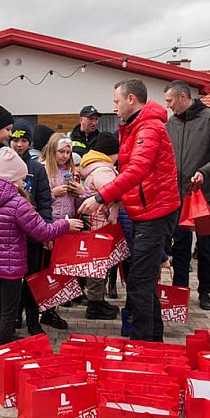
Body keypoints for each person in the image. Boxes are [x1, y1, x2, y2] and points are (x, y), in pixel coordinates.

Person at [79, 79, 179, 343]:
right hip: (144, 211)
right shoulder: (134, 127)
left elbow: (138, 170)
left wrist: (103, 196)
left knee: (139, 283)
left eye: (116, 101)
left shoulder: (149, 127)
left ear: (131, 99)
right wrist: (116, 198)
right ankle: (151, 341)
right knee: (141, 281)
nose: (114, 108)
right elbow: (130, 172)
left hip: (155, 213)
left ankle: (143, 344)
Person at [0, 147, 82, 377]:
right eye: (22, 178)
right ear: (14, 178)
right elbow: (41, 231)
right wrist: (66, 224)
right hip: (10, 269)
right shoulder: (16, 203)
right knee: (8, 315)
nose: (25, 182)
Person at [164, 80, 210, 311]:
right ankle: (180, 291)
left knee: (205, 246)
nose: (168, 106)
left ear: (183, 97)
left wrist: (205, 172)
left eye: (170, 101)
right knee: (180, 246)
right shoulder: (171, 123)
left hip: (206, 196)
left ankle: (204, 292)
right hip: (179, 195)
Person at [40, 132, 93, 324]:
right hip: (48, 226)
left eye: (68, 152)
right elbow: (37, 200)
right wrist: (53, 193)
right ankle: (35, 308)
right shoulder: (43, 170)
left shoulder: (72, 172)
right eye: (61, 151)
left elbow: (82, 203)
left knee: (61, 271)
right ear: (52, 151)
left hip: (68, 227)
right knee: (44, 270)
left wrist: (81, 192)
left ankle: (51, 310)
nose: (64, 156)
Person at [9, 120, 52, 336]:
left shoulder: (36, 169)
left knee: (33, 280)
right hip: (12, 236)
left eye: (24, 140)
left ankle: (33, 318)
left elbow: (45, 201)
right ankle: (15, 314)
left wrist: (46, 230)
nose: (19, 145)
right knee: (14, 280)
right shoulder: (3, 167)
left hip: (33, 235)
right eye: (15, 140)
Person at [78, 132, 126, 318]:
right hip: (100, 225)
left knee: (98, 265)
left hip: (97, 223)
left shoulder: (93, 166)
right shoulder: (103, 170)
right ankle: (95, 305)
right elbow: (114, 193)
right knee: (98, 266)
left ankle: (98, 301)